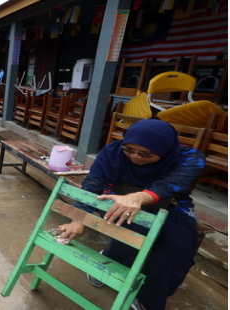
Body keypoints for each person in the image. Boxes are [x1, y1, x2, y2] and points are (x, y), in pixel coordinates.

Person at [58, 119, 206, 310]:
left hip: (172, 205)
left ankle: (149, 298)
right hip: (121, 199)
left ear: (164, 149)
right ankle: (111, 261)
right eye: (129, 150)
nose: (135, 156)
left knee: (179, 244)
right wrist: (78, 218)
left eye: (146, 154)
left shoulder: (190, 157)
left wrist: (141, 197)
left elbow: (173, 183)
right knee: (131, 230)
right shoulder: (112, 151)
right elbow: (93, 184)